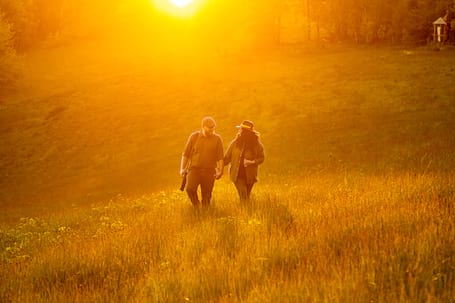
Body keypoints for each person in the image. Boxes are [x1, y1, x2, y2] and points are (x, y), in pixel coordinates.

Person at [180, 116, 224, 208]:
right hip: (194, 169)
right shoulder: (194, 137)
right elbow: (186, 154)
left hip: (209, 171)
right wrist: (182, 169)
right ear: (203, 126)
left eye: (213, 128)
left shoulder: (217, 139)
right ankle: (196, 206)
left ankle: (205, 213)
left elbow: (220, 157)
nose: (212, 130)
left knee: (207, 197)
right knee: (189, 189)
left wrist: (220, 171)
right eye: (210, 128)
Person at [224, 120, 264, 202]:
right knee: (243, 196)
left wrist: (251, 162)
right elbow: (226, 158)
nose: (239, 131)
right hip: (237, 175)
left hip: (250, 176)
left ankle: (246, 212)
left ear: (245, 132)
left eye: (241, 129)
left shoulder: (257, 145)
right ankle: (244, 212)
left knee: (246, 197)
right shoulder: (235, 143)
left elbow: (261, 158)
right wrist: (217, 166)